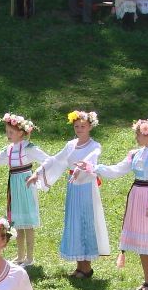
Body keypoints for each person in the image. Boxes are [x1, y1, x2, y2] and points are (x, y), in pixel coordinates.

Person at [96, 118, 148, 290]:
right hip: (137, 195)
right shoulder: (136, 154)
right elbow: (118, 170)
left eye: (138, 133)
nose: (136, 137)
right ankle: (147, 281)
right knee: (142, 241)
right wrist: (95, 168)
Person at [31, 110, 110, 279]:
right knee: (74, 221)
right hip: (73, 186)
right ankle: (79, 265)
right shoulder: (70, 145)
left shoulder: (94, 145)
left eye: (83, 126)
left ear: (90, 126)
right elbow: (55, 159)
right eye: (76, 126)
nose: (79, 129)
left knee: (85, 220)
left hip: (86, 186)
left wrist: (81, 167)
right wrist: (38, 171)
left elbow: (92, 157)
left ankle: (86, 267)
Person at [0, 113, 50, 267]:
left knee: (28, 223)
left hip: (25, 183)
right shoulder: (9, 149)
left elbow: (48, 160)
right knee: (17, 222)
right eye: (7, 132)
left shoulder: (29, 148)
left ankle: (30, 258)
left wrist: (37, 174)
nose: (8, 135)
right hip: (14, 184)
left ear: (21, 133)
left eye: (11, 132)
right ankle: (20, 255)